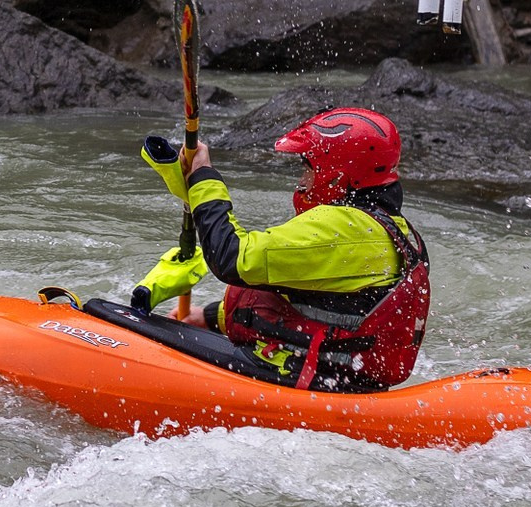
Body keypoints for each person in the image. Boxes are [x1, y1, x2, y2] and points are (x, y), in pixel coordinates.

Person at [131, 107, 430, 392]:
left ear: (337, 176)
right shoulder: (396, 232)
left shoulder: (344, 228)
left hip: (296, 377)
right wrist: (211, 317)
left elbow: (231, 258)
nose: (301, 183)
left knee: (119, 321)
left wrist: (201, 176)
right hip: (333, 378)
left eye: (308, 170)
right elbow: (324, 307)